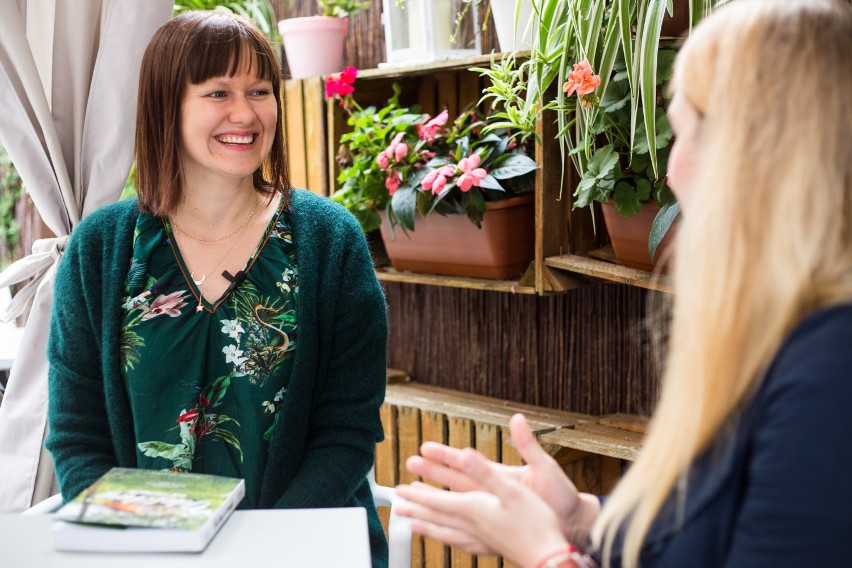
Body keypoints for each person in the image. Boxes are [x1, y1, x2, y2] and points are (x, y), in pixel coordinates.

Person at [394, 0, 852, 566]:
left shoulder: (831, 375)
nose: (670, 171)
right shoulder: (785, 336)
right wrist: (583, 519)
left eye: (685, 133)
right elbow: (712, 530)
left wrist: (547, 555)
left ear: (764, 155)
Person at [45, 11, 389, 567]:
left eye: (260, 90)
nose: (245, 113)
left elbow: (346, 434)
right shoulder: (100, 249)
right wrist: (136, 544)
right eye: (218, 92)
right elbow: (76, 436)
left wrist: (260, 552)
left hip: (300, 549)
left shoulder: (330, 241)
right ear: (166, 105)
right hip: (144, 554)